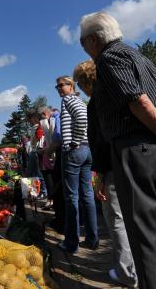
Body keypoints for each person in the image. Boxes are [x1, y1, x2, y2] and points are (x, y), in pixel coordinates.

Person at [79, 11, 156, 289]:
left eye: (83, 42)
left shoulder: (108, 59)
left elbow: (139, 102)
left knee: (144, 234)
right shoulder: (140, 57)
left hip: (136, 151)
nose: (84, 48)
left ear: (94, 39)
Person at [74, 59, 138, 288]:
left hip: (113, 164)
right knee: (140, 218)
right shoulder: (122, 92)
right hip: (138, 159)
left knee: (116, 218)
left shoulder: (95, 104)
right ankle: (147, 270)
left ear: (84, 83)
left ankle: (127, 273)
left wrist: (98, 176)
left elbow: (99, 142)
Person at [55, 75, 98, 253]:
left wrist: (74, 141)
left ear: (71, 86)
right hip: (86, 151)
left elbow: (81, 119)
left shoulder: (68, 100)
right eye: (57, 86)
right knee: (87, 195)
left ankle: (71, 243)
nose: (59, 89)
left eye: (62, 85)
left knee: (71, 197)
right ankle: (92, 239)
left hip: (74, 151)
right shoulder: (80, 101)